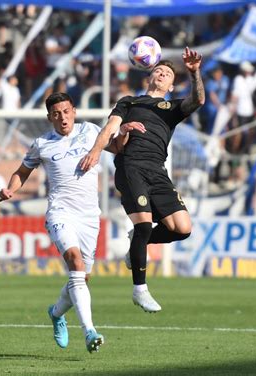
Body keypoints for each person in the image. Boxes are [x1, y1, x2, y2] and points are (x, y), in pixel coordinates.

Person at [0, 92, 144, 353]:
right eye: (56, 113)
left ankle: (55, 313)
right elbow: (22, 171)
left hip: (89, 216)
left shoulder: (90, 131)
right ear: (49, 117)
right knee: (75, 262)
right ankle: (89, 332)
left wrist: (124, 132)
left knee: (82, 277)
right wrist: (11, 189)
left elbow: (118, 148)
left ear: (73, 111)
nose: (62, 117)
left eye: (66, 111)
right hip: (60, 212)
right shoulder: (42, 143)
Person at [79, 48, 205, 313]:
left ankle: (138, 242)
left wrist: (194, 73)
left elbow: (198, 101)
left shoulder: (172, 108)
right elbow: (110, 133)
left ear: (171, 85)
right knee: (144, 226)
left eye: (168, 73)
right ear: (149, 75)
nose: (161, 73)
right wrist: (100, 147)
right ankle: (140, 290)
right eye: (158, 70)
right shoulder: (129, 102)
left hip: (158, 171)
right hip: (131, 167)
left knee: (182, 228)